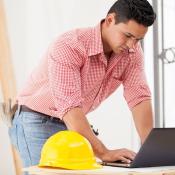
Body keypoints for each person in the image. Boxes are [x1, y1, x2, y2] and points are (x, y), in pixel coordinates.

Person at [9, 0, 156, 169]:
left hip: (72, 123)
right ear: (110, 20)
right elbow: (69, 107)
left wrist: (151, 150)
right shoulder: (70, 45)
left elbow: (139, 97)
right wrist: (103, 152)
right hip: (36, 119)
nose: (132, 45)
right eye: (128, 36)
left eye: (138, 39)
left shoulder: (132, 52)